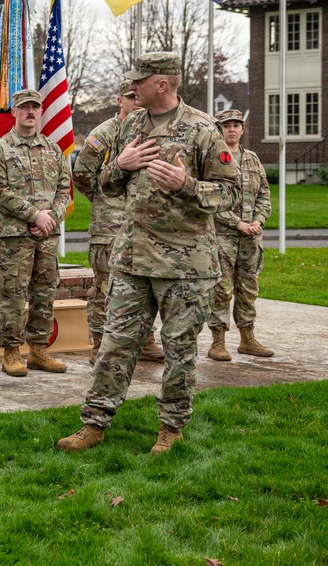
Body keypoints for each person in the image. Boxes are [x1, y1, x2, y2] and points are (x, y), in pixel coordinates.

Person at [56, 53, 240, 455]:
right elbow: (107, 187)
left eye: (138, 81)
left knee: (178, 349)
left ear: (161, 85)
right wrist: (118, 166)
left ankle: (171, 428)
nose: (131, 87)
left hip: (185, 266)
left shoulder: (203, 129)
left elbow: (231, 194)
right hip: (133, 259)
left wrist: (187, 184)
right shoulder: (130, 125)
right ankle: (94, 424)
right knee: (115, 344)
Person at [73, 80, 164, 365]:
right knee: (104, 287)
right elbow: (82, 175)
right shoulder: (104, 134)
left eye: (139, 97)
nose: (136, 102)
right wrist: (105, 198)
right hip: (108, 227)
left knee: (145, 285)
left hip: (144, 225)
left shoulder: (151, 132)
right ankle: (99, 343)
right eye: (130, 97)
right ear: (118, 100)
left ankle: (146, 340)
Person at [0, 88, 71, 377]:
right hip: (15, 237)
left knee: (45, 292)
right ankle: (10, 352)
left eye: (35, 107)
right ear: (14, 112)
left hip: (47, 236)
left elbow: (64, 189)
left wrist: (52, 217)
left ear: (41, 110)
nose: (30, 112)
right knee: (12, 294)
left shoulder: (53, 149)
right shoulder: (0, 150)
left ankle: (38, 350)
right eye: (24, 107)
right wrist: (34, 215)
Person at [207, 108, 274, 361]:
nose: (232, 129)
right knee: (222, 290)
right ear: (219, 129)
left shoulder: (253, 159)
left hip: (251, 237)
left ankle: (247, 339)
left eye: (236, 125)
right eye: (226, 125)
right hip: (223, 236)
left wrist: (258, 220)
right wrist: (238, 224)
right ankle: (218, 342)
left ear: (243, 129)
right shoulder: (214, 158)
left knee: (248, 288)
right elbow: (211, 199)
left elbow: (264, 195)